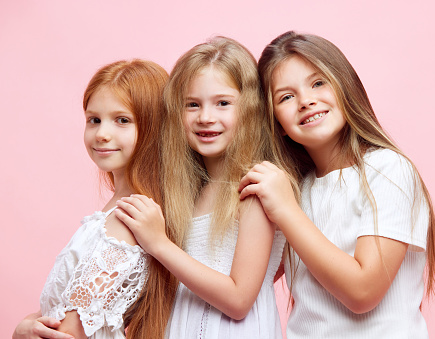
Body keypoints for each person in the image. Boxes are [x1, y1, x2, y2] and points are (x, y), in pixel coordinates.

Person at [238, 31, 435, 338]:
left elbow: (363, 291)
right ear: (276, 122)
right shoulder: (294, 189)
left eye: (318, 83)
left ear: (345, 86)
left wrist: (285, 210)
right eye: (286, 97)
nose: (306, 101)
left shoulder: (387, 169)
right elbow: (249, 282)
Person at [114, 37, 295, 339]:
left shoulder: (257, 187)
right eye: (192, 105)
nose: (205, 117)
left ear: (250, 109)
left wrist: (159, 244)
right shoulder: (189, 191)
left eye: (223, 103)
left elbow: (239, 300)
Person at [13, 60, 176, 339]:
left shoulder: (130, 216)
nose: (102, 133)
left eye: (122, 120)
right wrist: (28, 325)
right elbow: (63, 312)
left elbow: (69, 329)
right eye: (94, 120)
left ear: (155, 127)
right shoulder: (121, 206)